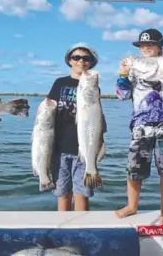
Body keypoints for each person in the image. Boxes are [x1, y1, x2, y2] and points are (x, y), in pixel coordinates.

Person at [115, 29, 163, 224]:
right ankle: (132, 206)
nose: (146, 48)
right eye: (142, 45)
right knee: (134, 168)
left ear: (160, 48)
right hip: (140, 125)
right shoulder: (133, 69)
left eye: (150, 44)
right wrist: (123, 75)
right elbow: (122, 95)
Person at [47, 43, 106, 211]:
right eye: (76, 57)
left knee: (82, 194)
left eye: (86, 58)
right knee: (63, 193)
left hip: (85, 150)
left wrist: (101, 141)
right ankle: (62, 230)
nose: (81, 61)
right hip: (60, 147)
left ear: (91, 63)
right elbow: (49, 108)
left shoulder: (92, 86)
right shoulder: (60, 83)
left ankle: (82, 228)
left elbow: (99, 117)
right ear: (69, 60)